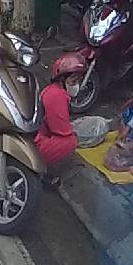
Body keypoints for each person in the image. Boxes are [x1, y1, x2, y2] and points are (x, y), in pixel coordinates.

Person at [37, 53, 85, 188]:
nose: (76, 84)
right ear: (62, 78)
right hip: (36, 141)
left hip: (38, 132)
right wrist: (74, 133)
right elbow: (62, 131)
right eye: (73, 80)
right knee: (70, 141)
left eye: (77, 80)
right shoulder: (57, 95)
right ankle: (39, 168)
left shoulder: (53, 90)